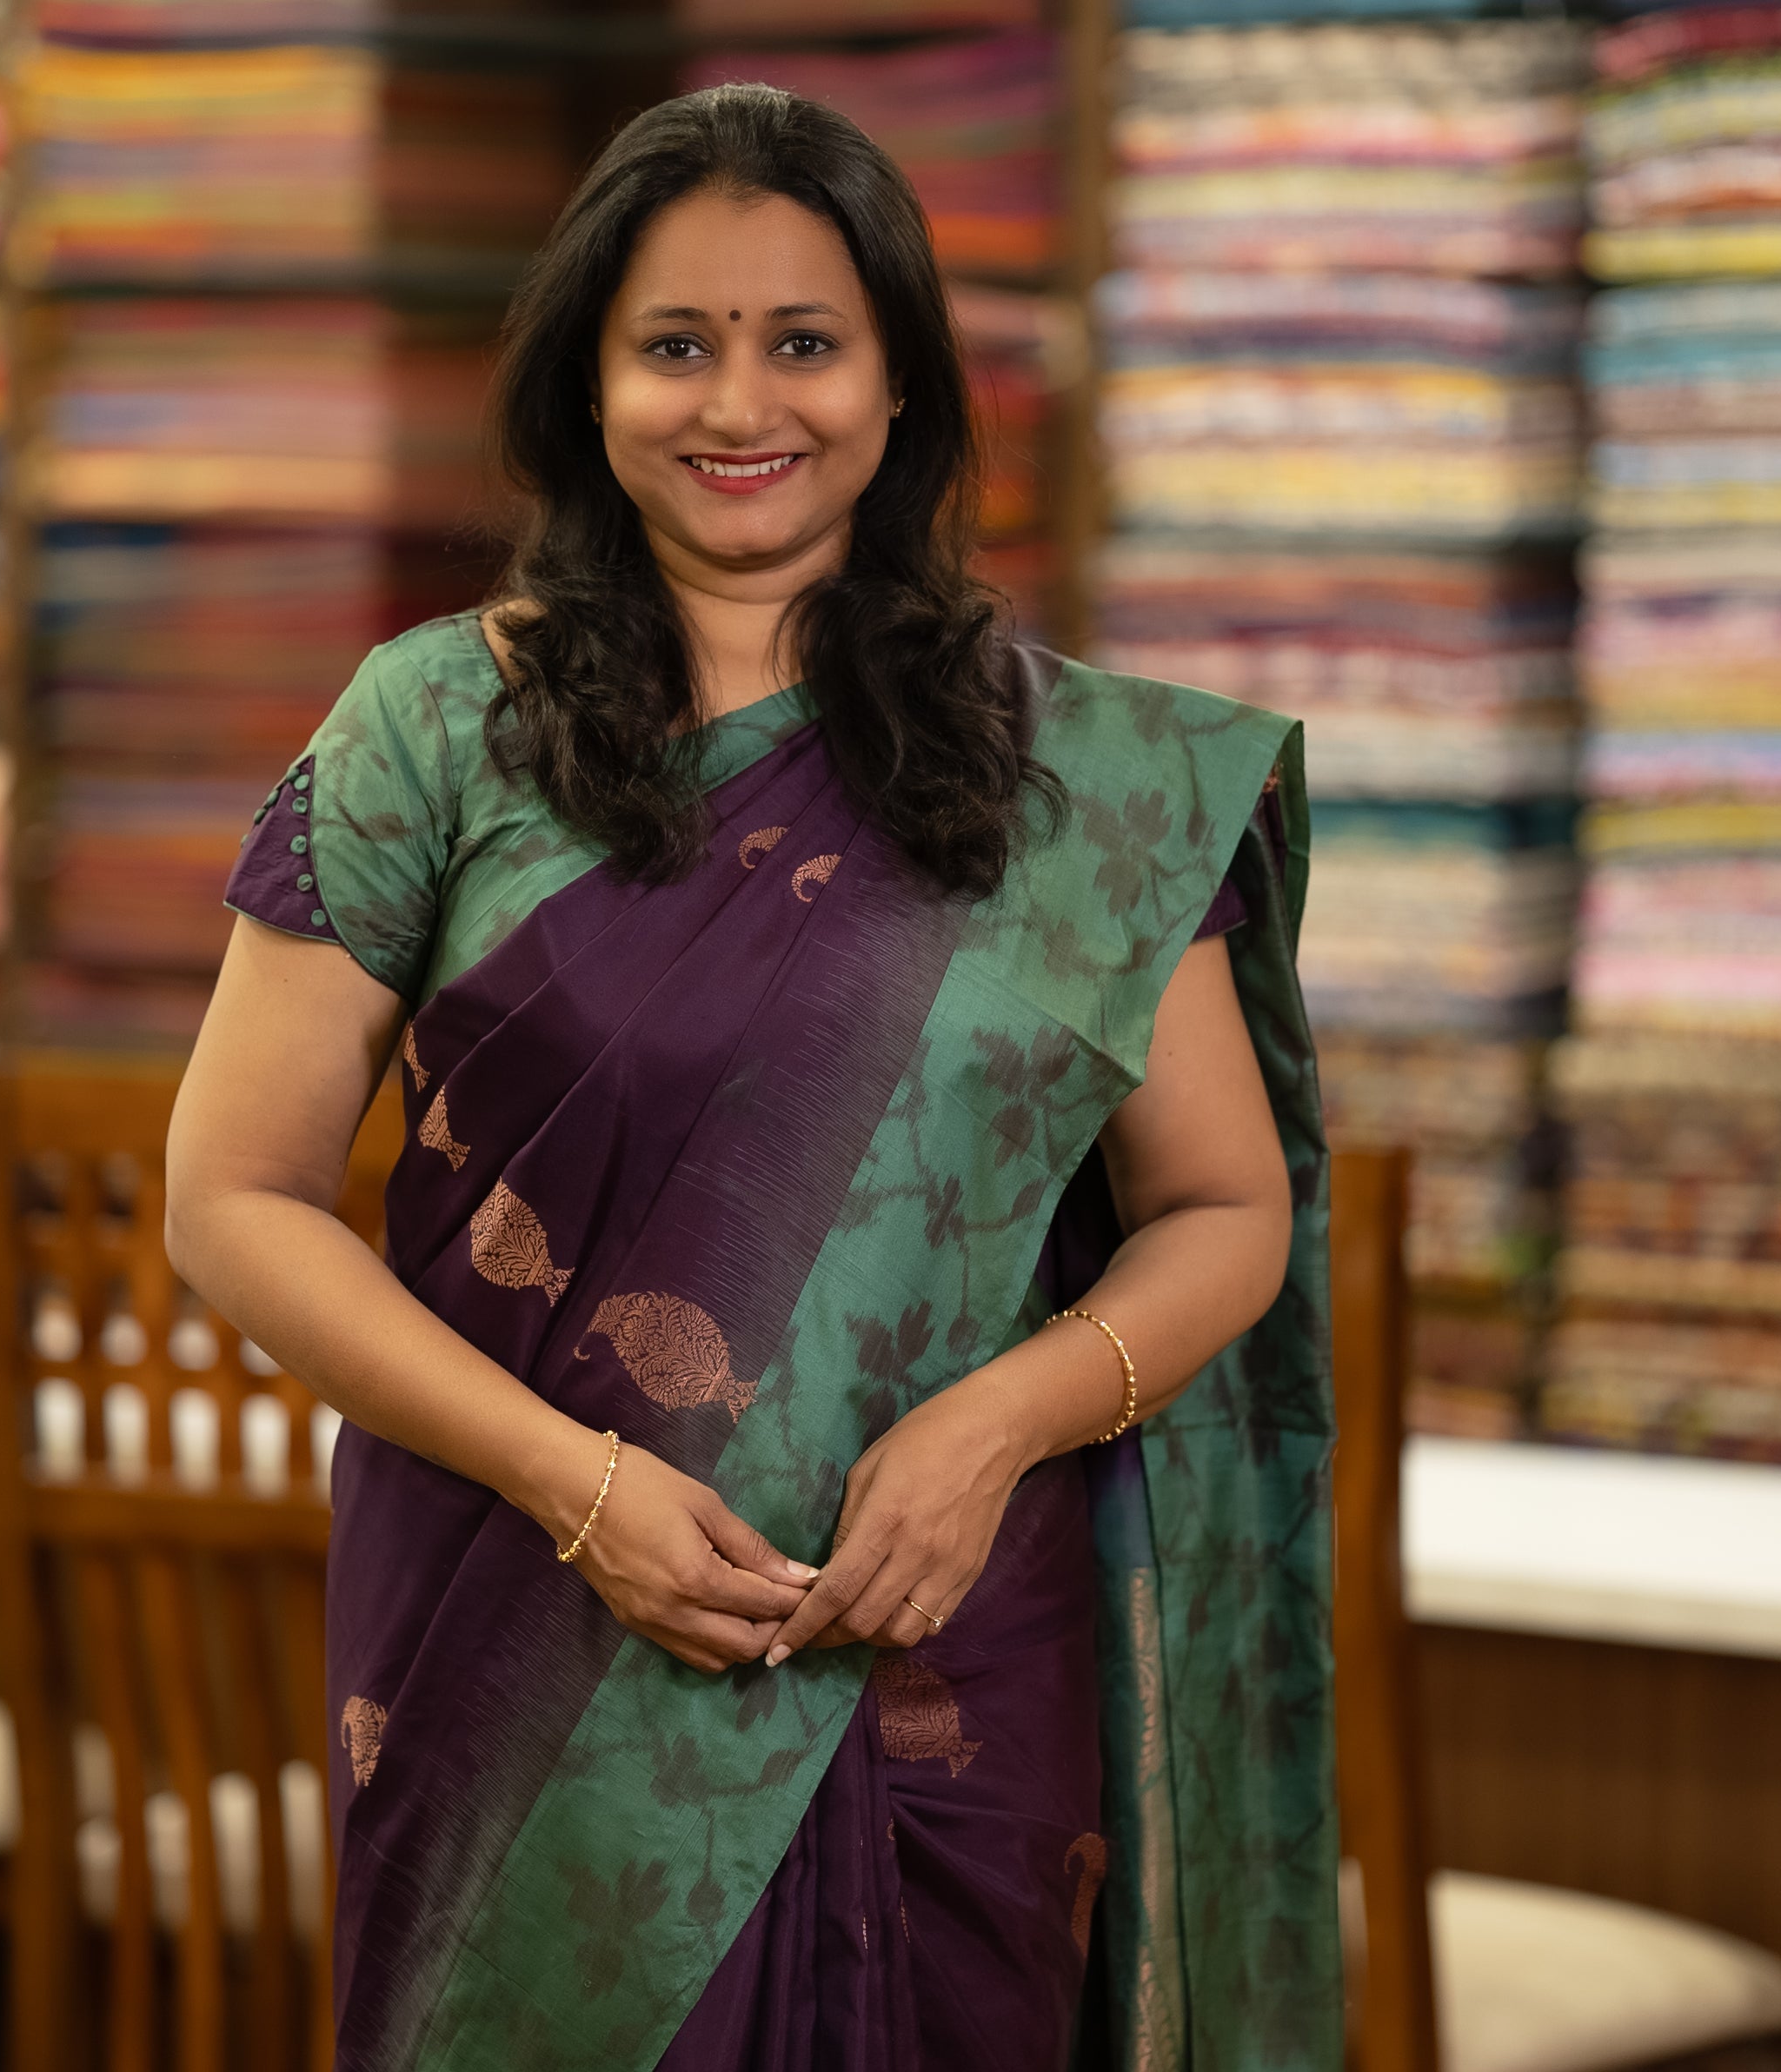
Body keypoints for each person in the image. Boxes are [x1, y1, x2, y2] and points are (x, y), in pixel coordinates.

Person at [164, 82, 1338, 2071]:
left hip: (944, 1659)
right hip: (524, 1647)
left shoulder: (1084, 787)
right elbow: (230, 1197)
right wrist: (576, 1485)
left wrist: (996, 1424)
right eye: (674, 346)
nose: (738, 404)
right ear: (588, 383)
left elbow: (1224, 1209)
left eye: (802, 342)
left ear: (898, 387)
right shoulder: (434, 730)